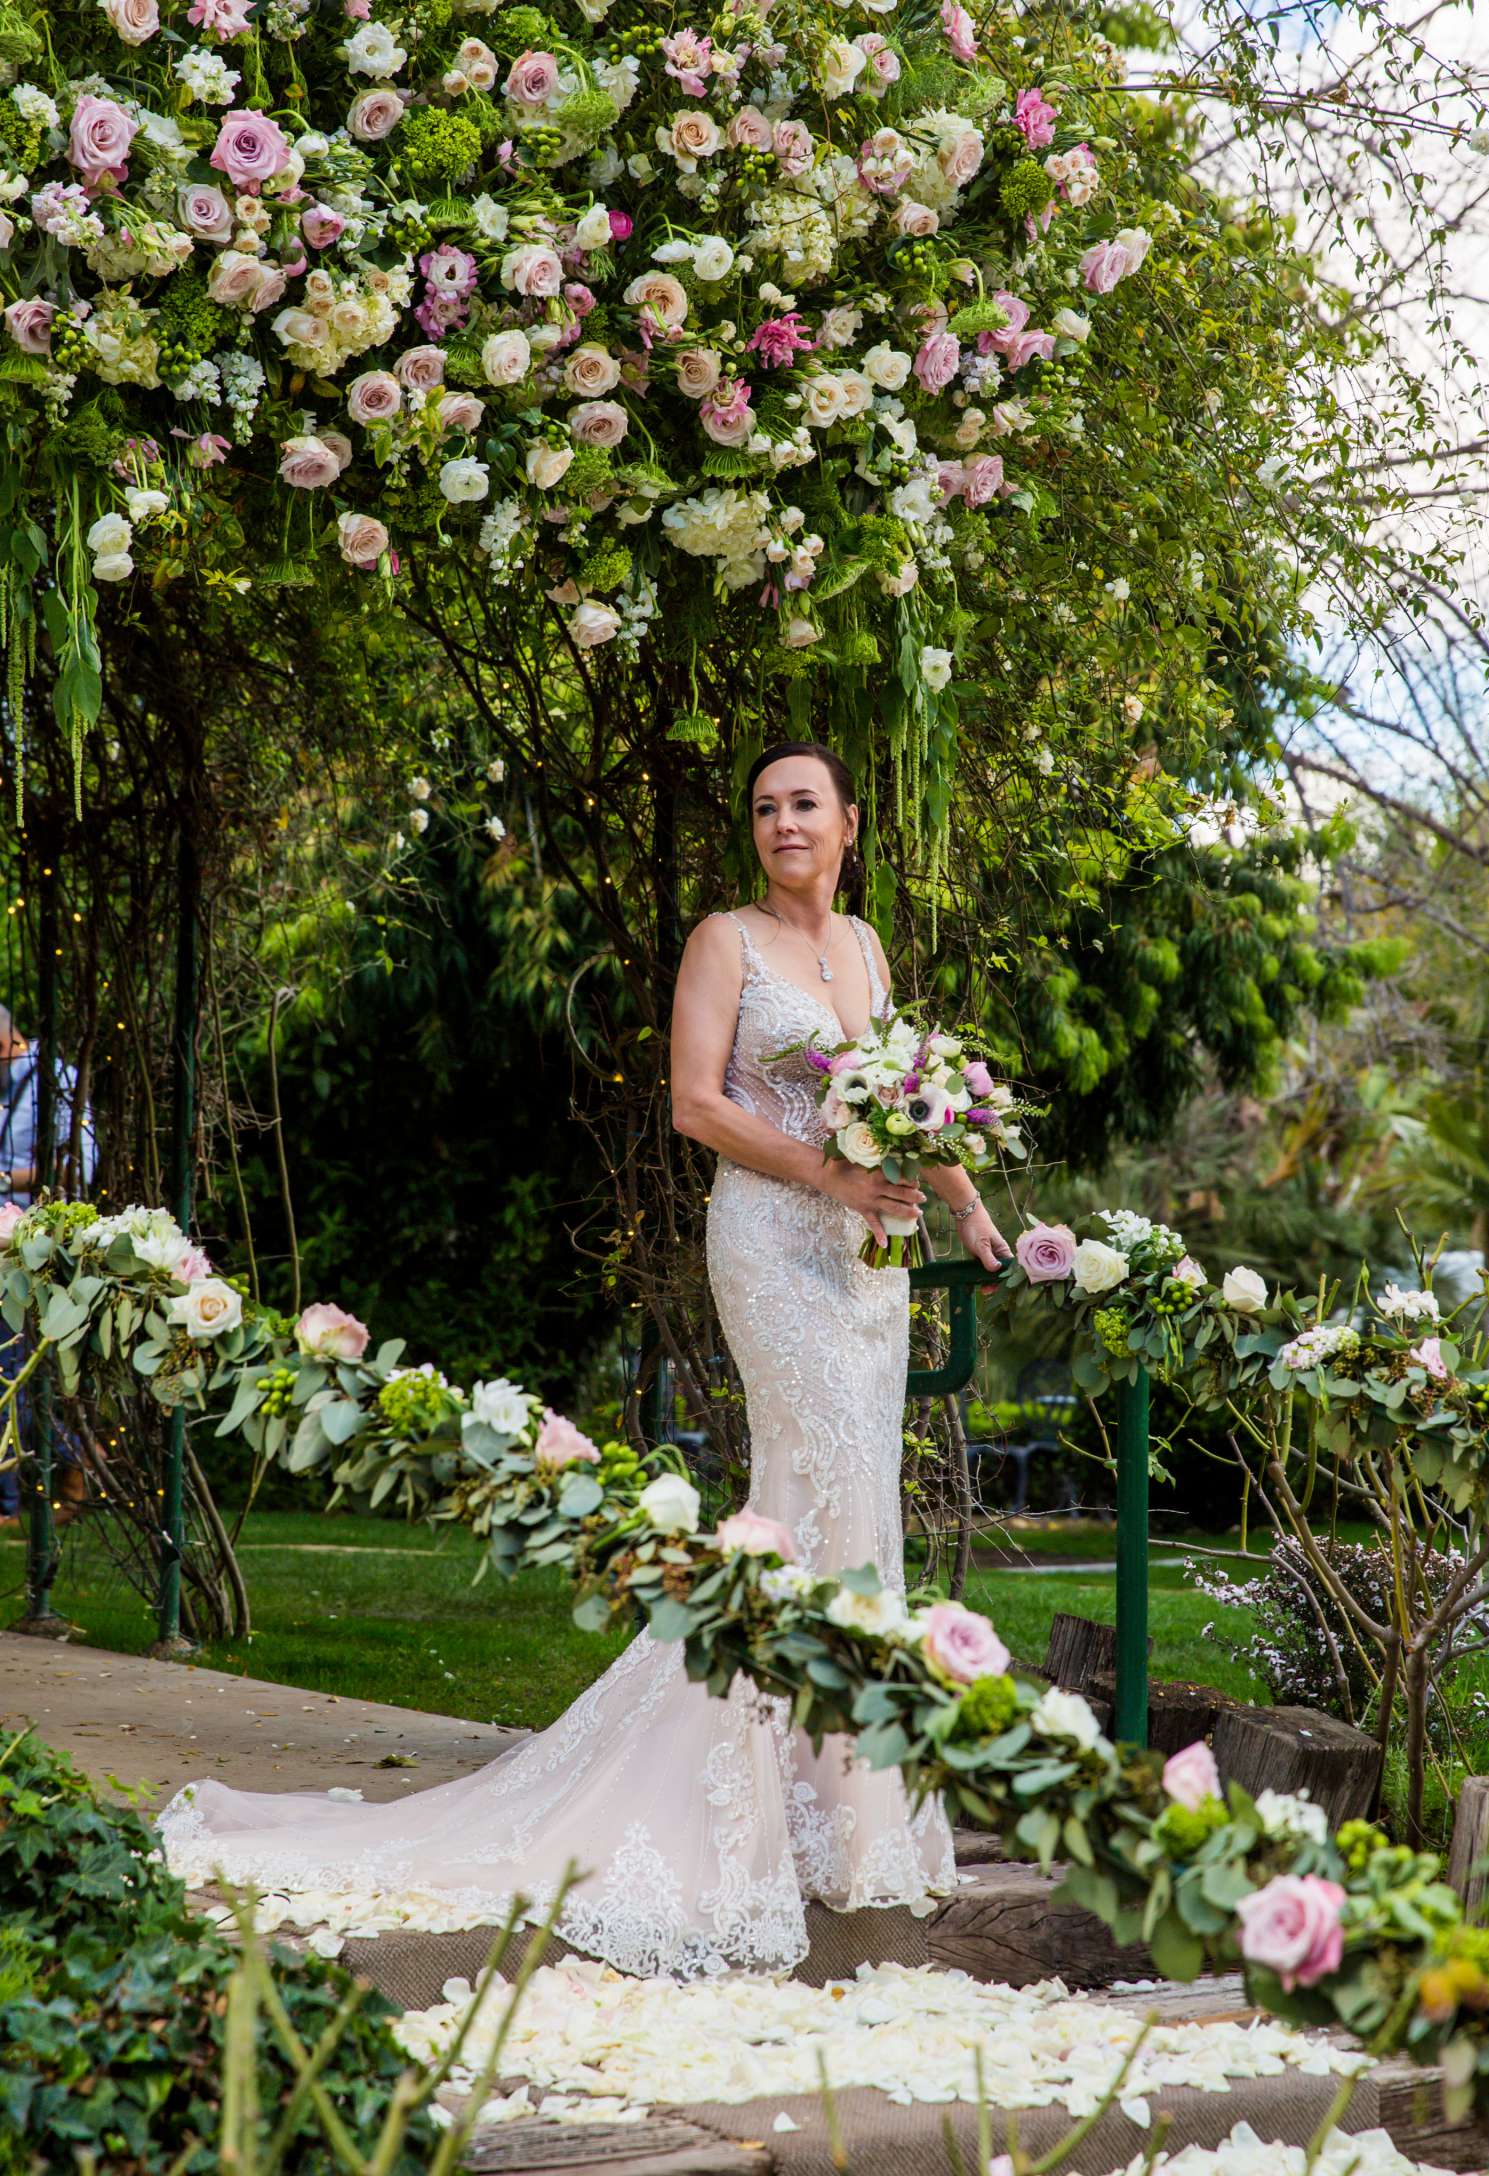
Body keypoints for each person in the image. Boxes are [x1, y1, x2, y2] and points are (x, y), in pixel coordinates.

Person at [156, 743, 1012, 1976]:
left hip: (870, 1264)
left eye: (802, 804)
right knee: (799, 1493)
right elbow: (698, 1105)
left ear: (849, 824)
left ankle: (848, 1811)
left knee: (856, 1505)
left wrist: (969, 1206)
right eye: (765, 807)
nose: (782, 822)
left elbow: (912, 1100)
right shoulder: (725, 939)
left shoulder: (867, 949)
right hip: (774, 1246)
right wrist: (831, 1174)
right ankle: (735, 1796)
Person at [0, 1006, 96, 1526]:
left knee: (19, 1369)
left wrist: (4, 1177)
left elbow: (76, 1164)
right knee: (13, 1370)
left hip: (35, 1248)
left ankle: (66, 1473)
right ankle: (77, 1462)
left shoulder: (55, 1080)